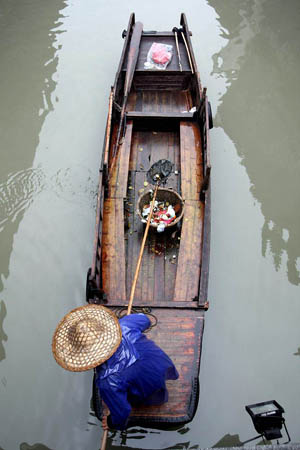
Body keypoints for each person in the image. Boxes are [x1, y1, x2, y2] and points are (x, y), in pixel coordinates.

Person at [52, 304, 179, 431]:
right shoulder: (123, 326)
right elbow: (145, 320)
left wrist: (113, 424)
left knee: (132, 394)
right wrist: (127, 319)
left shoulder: (107, 381)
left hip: (149, 389)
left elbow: (123, 411)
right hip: (163, 365)